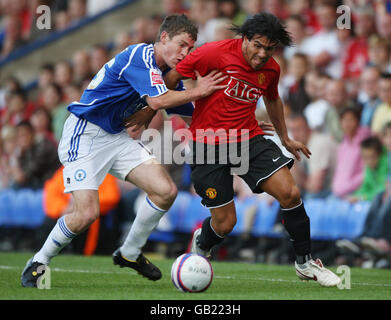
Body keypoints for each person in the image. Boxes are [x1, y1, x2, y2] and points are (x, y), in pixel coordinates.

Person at [127, 13, 341, 286]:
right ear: (245, 39)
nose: (263, 53)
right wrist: (151, 112)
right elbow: (170, 79)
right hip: (207, 145)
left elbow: (273, 99)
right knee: (226, 223)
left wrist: (285, 138)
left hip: (248, 138)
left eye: (270, 48)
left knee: (290, 192)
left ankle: (305, 262)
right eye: (258, 45)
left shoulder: (271, 70)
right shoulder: (212, 53)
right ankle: (202, 241)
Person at [21, 14, 227, 288]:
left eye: (190, 48)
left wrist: (237, 124)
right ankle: (38, 261)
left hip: (117, 138)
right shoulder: (139, 55)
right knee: (86, 214)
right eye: (181, 45)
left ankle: (130, 252)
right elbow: (158, 99)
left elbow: (193, 116)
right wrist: (199, 91)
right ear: (163, 37)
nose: (185, 53)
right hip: (85, 134)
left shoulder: (168, 78)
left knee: (165, 192)